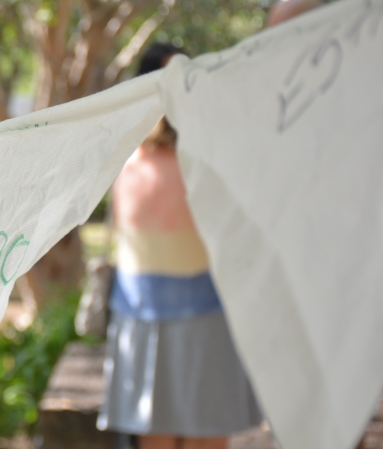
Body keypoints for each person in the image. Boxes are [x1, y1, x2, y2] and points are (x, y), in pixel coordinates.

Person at [97, 43, 263, 449]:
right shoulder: (141, 158)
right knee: (179, 434)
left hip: (189, 312)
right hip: (154, 312)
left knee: (195, 433)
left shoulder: (135, 158)